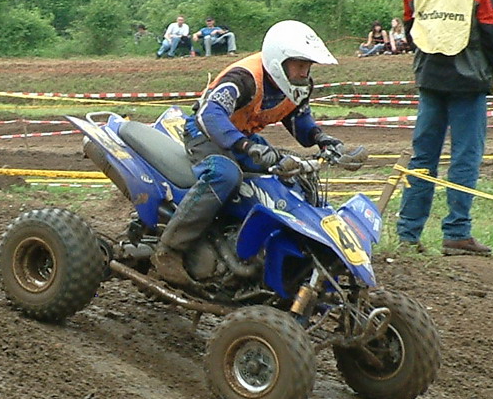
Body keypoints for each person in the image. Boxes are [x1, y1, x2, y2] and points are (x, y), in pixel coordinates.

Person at [150, 21, 358, 288]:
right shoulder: (244, 78)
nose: (304, 71)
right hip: (206, 134)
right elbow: (210, 114)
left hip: (242, 138)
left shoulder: (298, 85)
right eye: (299, 64)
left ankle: (270, 250)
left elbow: (298, 119)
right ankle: (170, 249)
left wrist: (323, 140)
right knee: (225, 175)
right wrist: (248, 147)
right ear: (279, 60)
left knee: (288, 176)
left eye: (308, 65)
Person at [395, 0, 493, 258]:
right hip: (470, 76)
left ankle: (408, 234)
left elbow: (409, 20)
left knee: (423, 155)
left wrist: (423, 56)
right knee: (465, 155)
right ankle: (457, 232)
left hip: (430, 73)